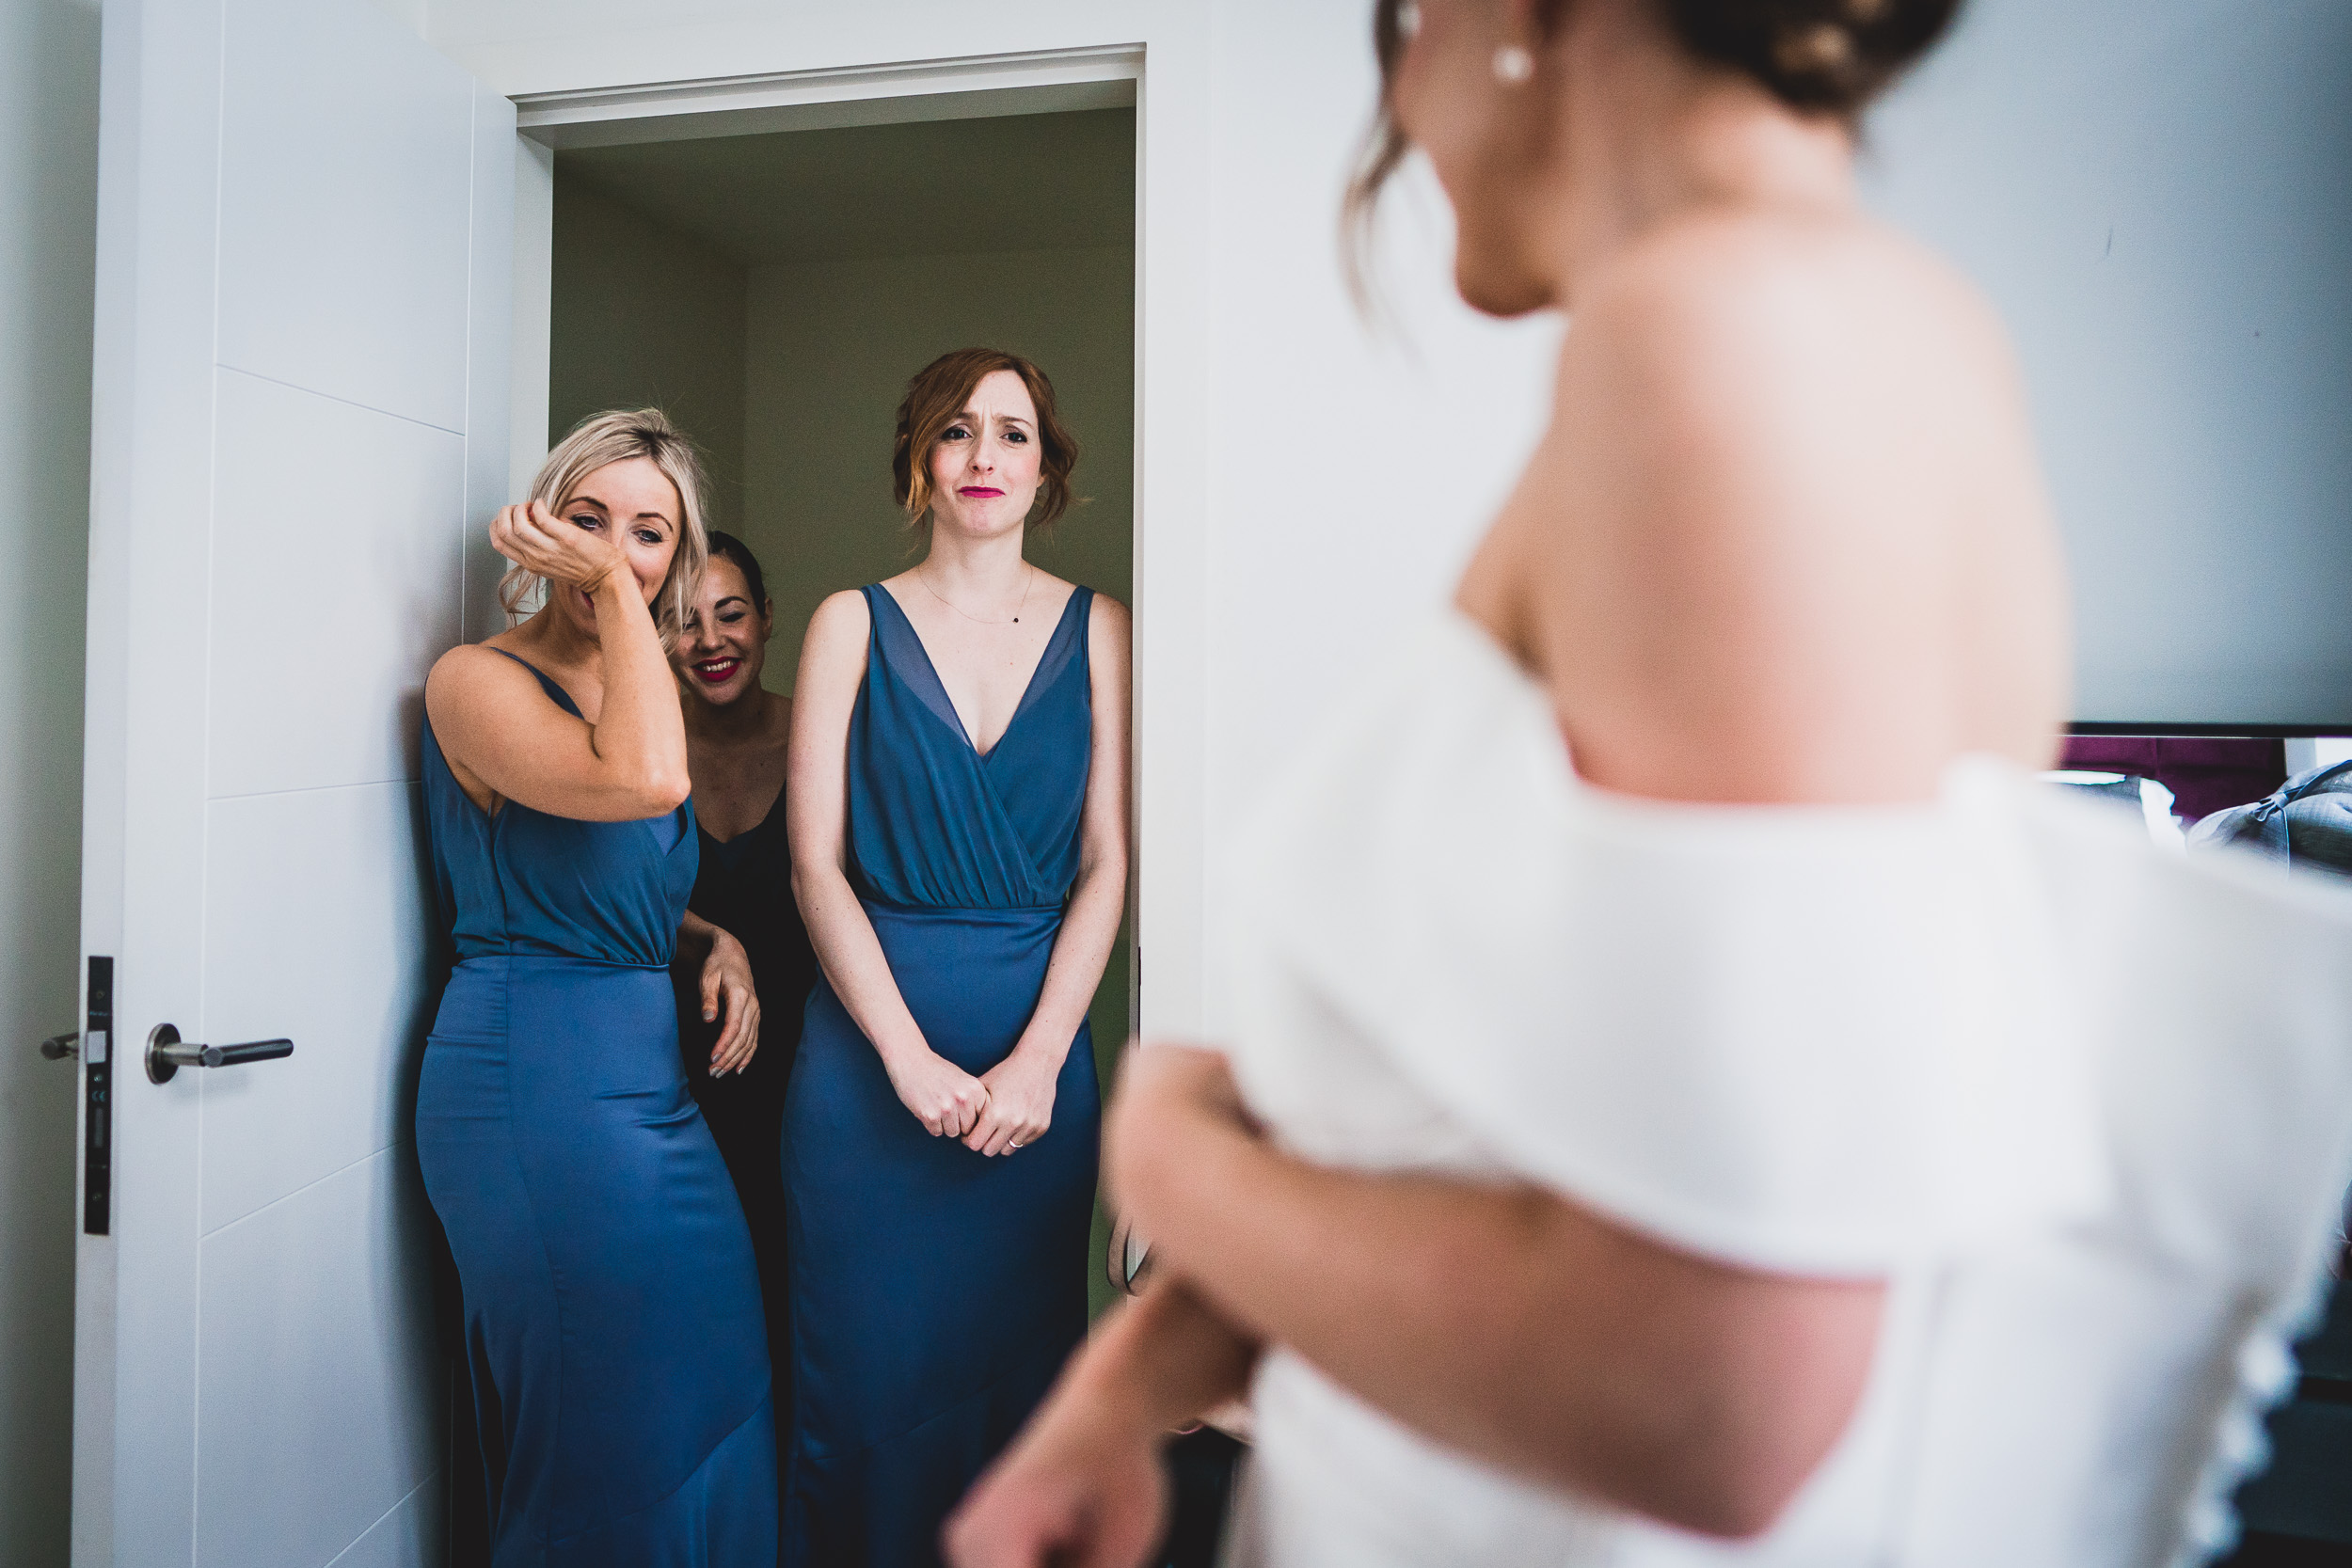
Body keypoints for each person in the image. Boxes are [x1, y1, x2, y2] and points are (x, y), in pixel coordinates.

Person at [946, 4, 2352, 1567]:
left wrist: (1167, 1164)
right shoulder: (1800, 327)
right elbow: (1519, 1114)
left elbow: (1723, 1398)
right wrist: (1125, 1392)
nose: (1400, 104)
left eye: (1395, 28)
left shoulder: (1729, 346)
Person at [785, 348, 1132, 1566]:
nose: (984, 455)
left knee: (1020, 1389)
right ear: (917, 462)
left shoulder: (1104, 630)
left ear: (1047, 469)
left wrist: (1040, 1061)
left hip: (1037, 1075)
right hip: (868, 1071)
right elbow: (813, 865)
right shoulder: (847, 622)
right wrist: (905, 1056)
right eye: (956, 431)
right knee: (866, 1387)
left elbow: (1109, 863)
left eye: (1013, 434)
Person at [418, 409, 776, 1565]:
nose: (617, 550)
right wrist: (627, 598)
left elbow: (608, 874)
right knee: (604, 1431)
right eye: (590, 520)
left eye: (650, 533)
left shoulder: (636, 686)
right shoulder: (473, 681)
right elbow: (644, 780)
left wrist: (710, 935)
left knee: (711, 1395)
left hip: (650, 1093)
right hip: (541, 1092)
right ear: (540, 525)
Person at [670, 530, 820, 1466]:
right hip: (671, 1071)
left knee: (796, 1306)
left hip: (807, 1072)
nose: (711, 638)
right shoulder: (637, 757)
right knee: (689, 1316)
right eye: (683, 621)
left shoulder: (819, 733)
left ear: (767, 618)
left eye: (730, 613)